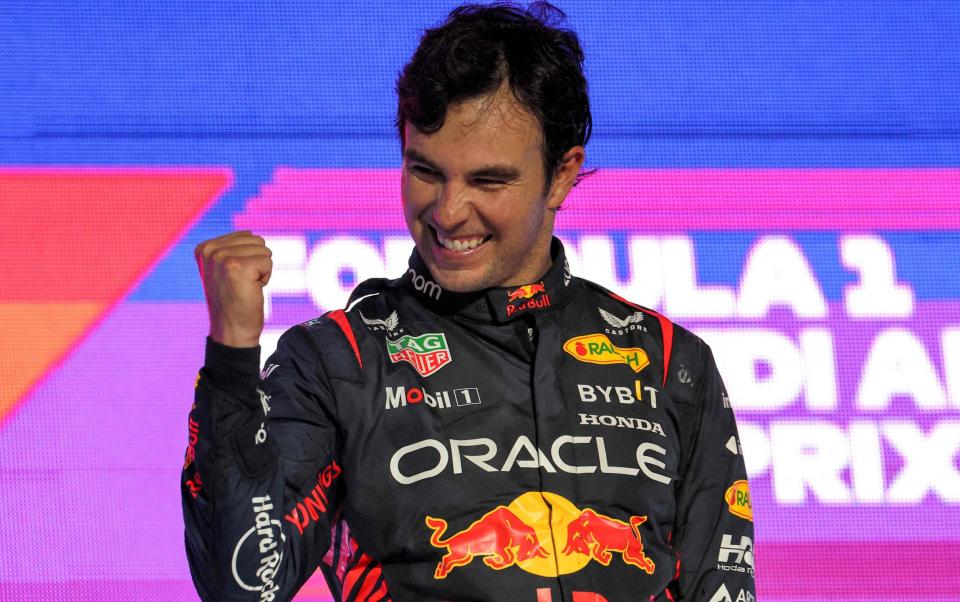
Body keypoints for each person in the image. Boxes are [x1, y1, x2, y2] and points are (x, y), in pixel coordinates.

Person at [182, 3, 756, 601]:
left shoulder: (668, 361)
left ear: (561, 175)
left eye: (488, 181)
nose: (448, 211)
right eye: (425, 171)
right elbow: (242, 582)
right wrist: (231, 356)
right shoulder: (338, 361)